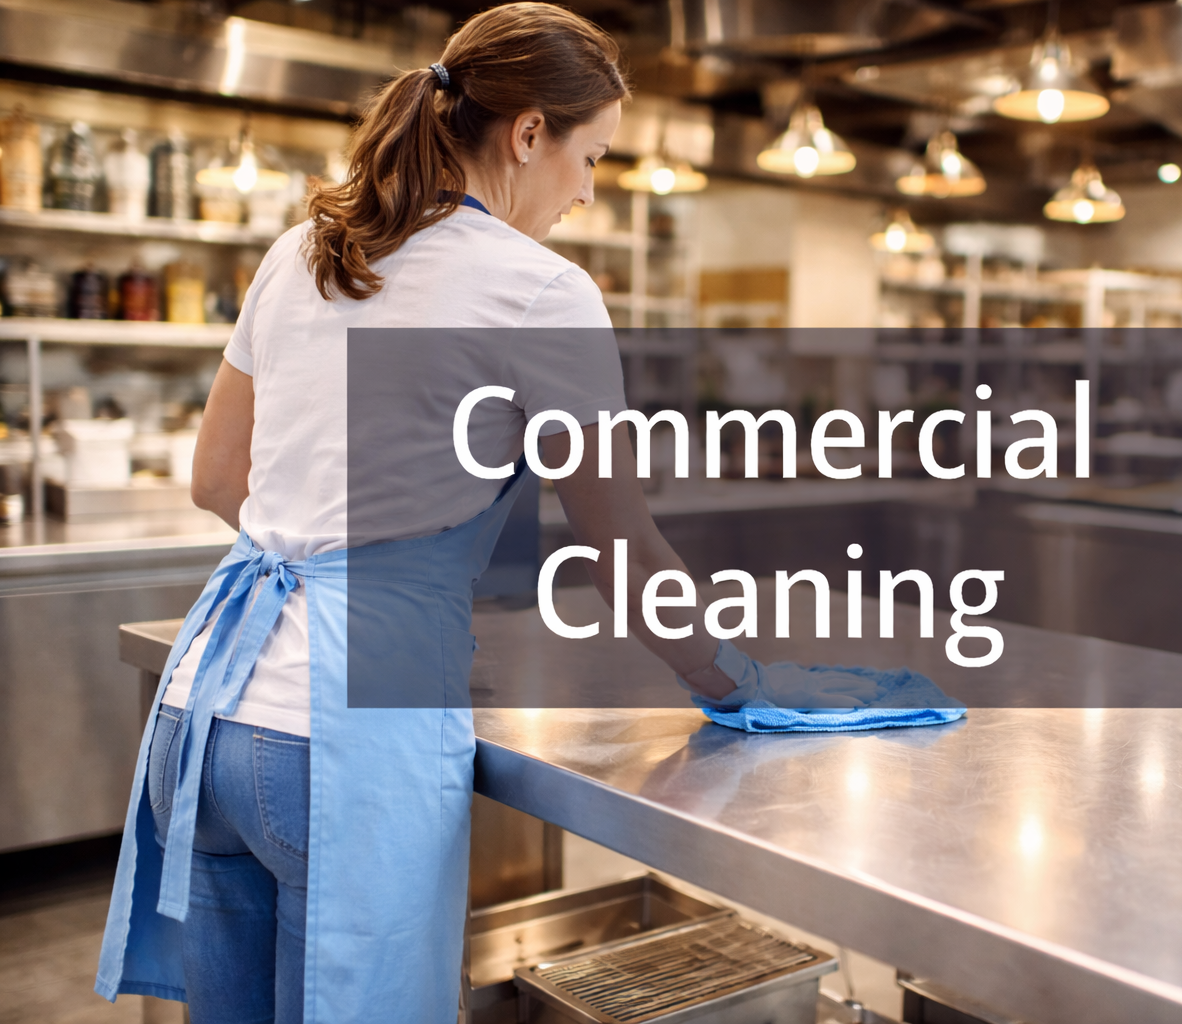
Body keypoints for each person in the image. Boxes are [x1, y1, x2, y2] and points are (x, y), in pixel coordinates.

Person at [95, 5, 744, 1021]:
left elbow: (218, 478)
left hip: (204, 714)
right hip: (338, 750)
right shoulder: (543, 294)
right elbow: (624, 549)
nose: (586, 191)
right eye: (592, 156)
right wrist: (730, 678)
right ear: (529, 132)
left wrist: (362, 572)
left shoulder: (302, 249)